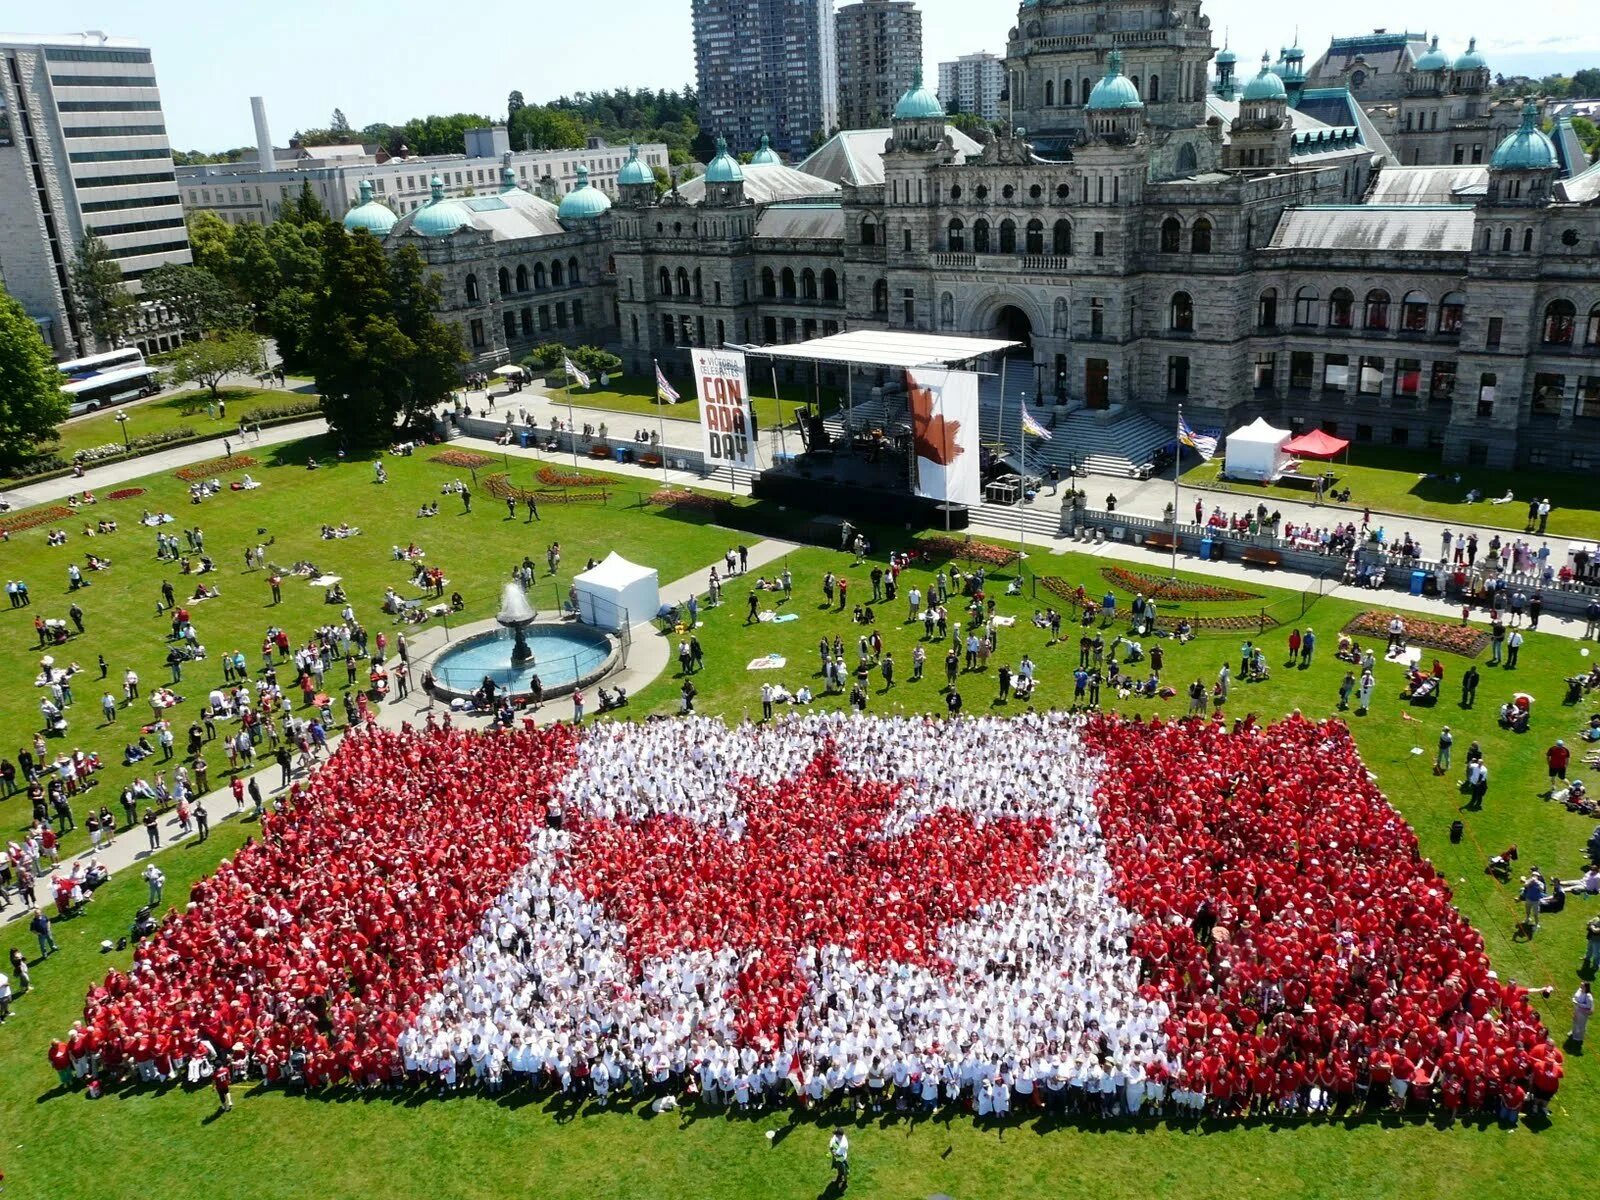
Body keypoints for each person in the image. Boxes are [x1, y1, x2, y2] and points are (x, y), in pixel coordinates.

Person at [1572, 982, 1595, 1049]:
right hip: (1577, 1010)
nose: (1580, 986)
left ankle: (1578, 1038)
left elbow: (1588, 1006)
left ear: (1586, 987)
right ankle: (1574, 1033)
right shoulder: (1580, 990)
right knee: (1575, 1021)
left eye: (1582, 986)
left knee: (1581, 1025)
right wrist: (1574, 1000)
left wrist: (1578, 1004)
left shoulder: (1588, 996)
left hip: (1583, 1012)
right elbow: (1576, 996)